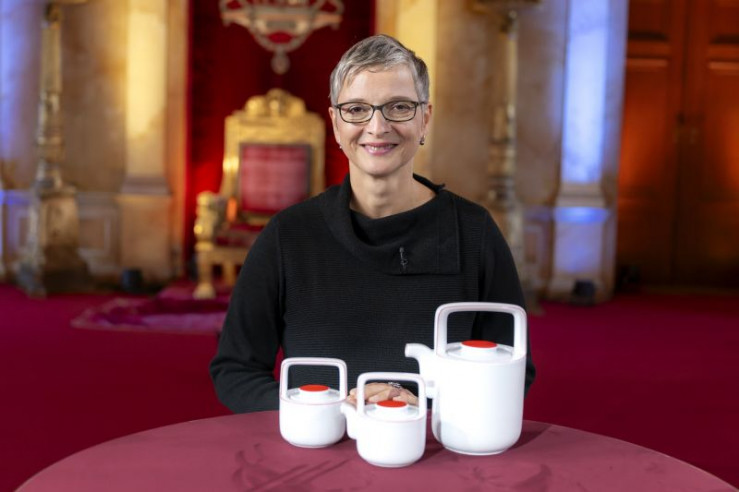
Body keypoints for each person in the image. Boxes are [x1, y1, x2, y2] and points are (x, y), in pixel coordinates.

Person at [210, 34, 535, 413]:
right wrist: (327, 414)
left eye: (399, 107)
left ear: (425, 118)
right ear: (335, 123)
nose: (377, 127)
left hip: (434, 444)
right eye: (357, 109)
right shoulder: (288, 236)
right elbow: (236, 370)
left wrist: (424, 410)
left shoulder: (474, 233)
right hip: (316, 445)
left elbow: (513, 371)